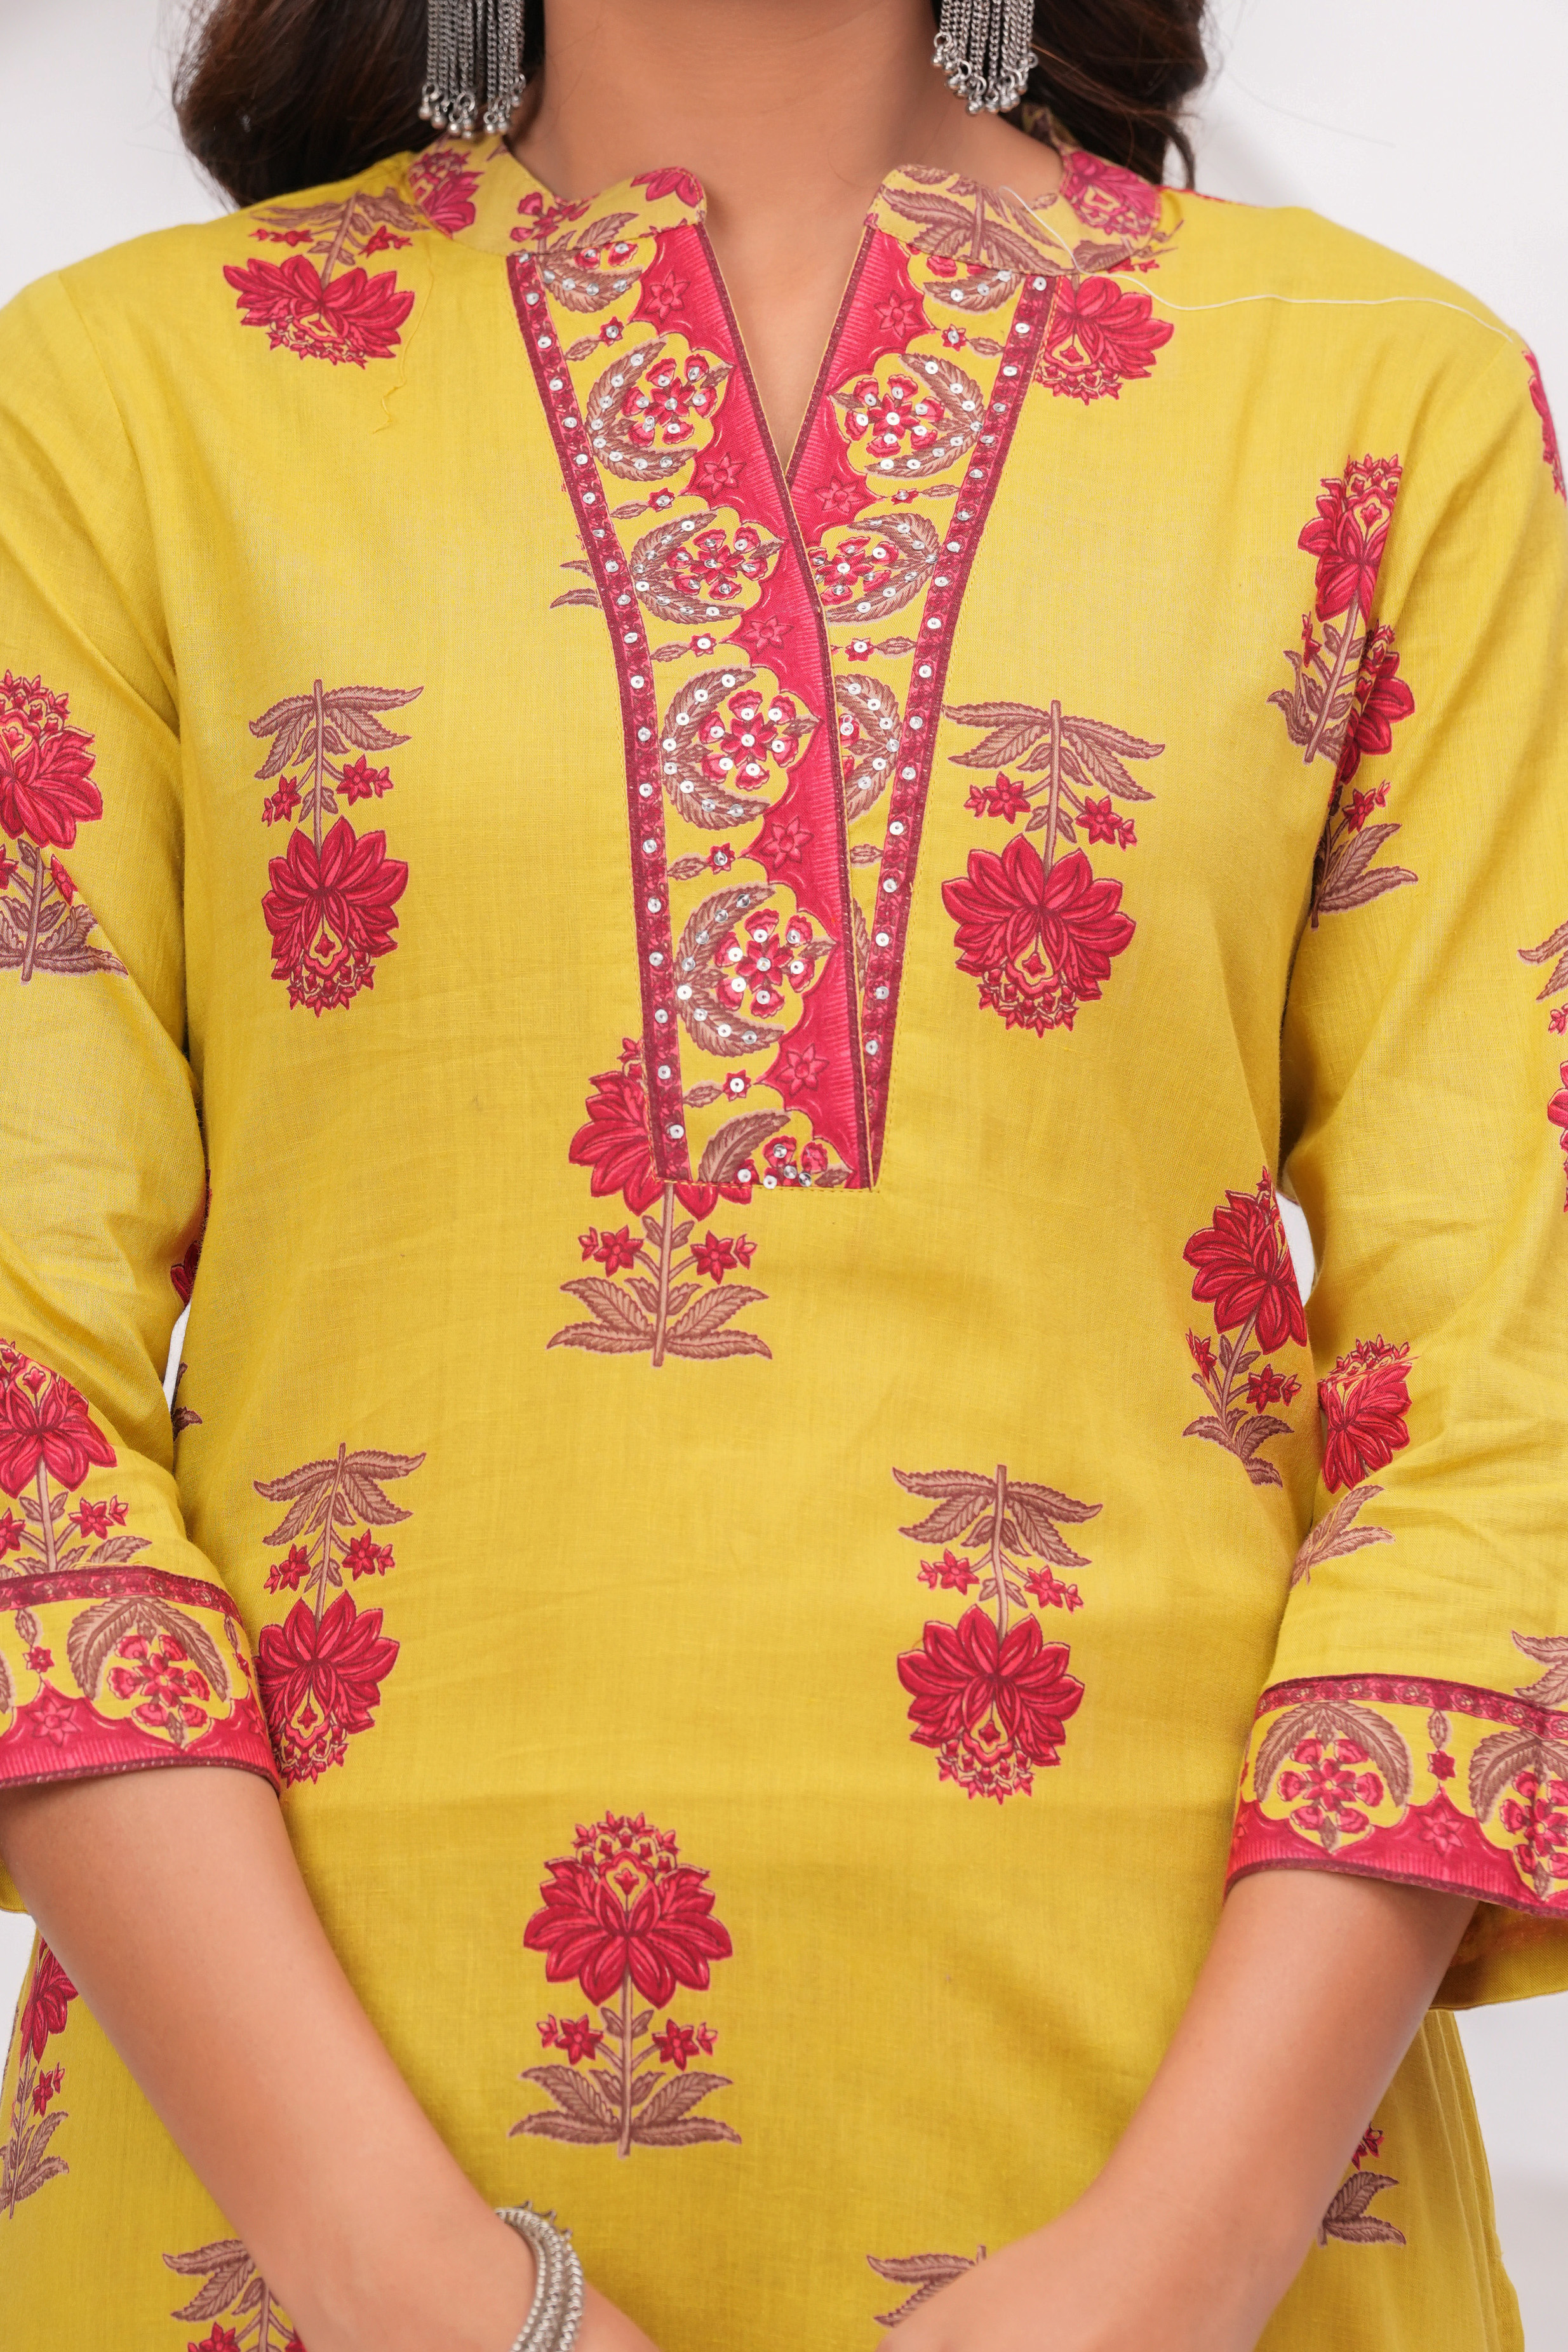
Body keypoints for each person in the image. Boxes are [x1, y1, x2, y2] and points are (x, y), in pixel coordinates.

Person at [0, 0, 1564, 2345]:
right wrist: (406, 2279)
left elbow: (1514, 1388)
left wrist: (1186, 2257)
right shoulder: (122, 403)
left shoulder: (1378, 398)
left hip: (1196, 2198)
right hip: (274, 2214)